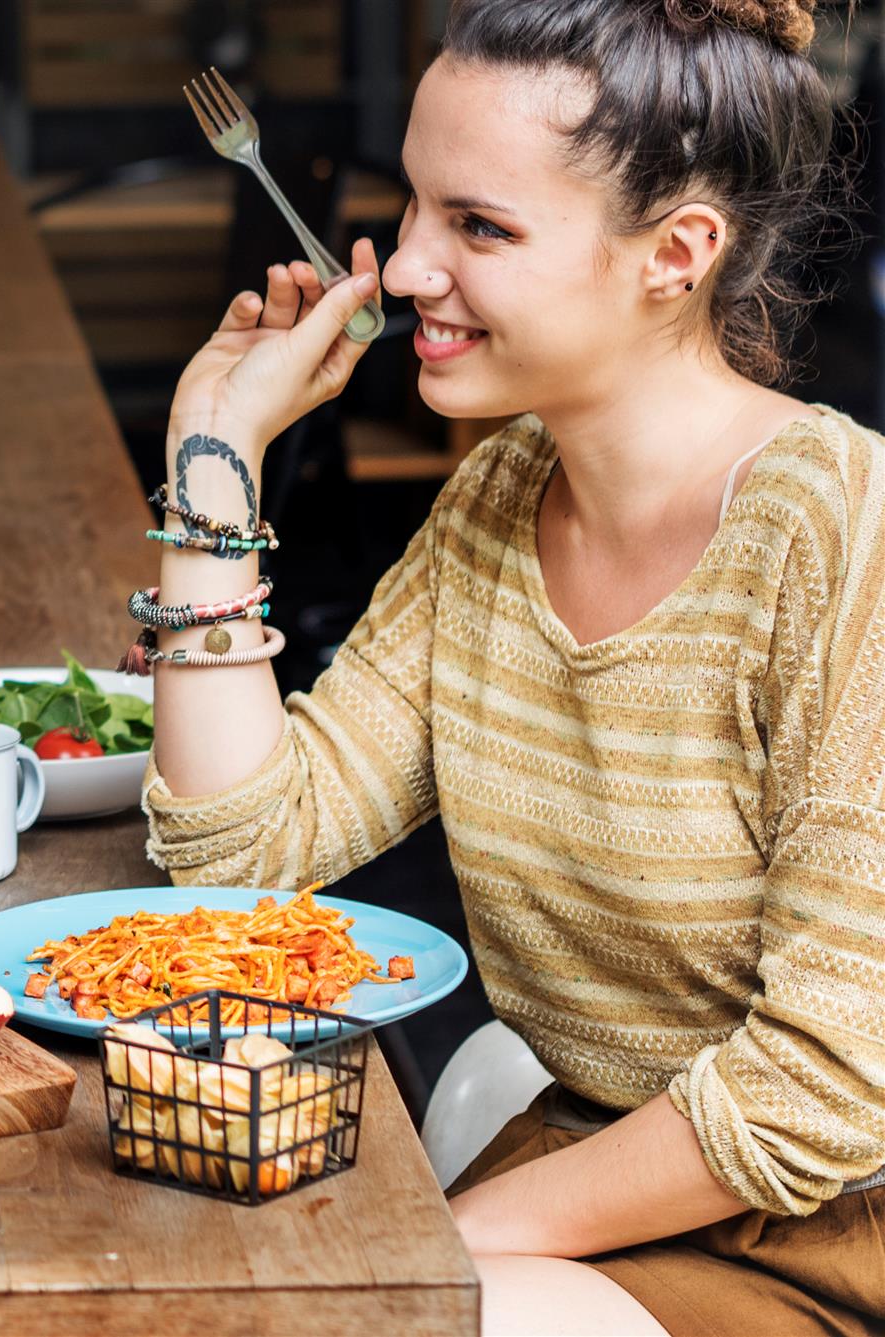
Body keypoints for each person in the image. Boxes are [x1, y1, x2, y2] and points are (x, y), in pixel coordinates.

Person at [141, 1, 881, 1333]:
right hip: (585, 1175)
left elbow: (816, 1090)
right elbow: (242, 848)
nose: (408, 266)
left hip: (817, 1234)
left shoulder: (842, 538)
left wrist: (433, 1243)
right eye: (416, 207)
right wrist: (213, 458)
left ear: (678, 254)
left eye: (477, 227)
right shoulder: (494, 505)